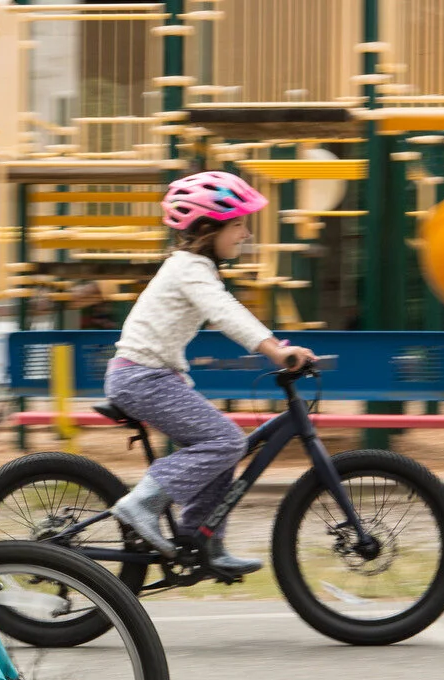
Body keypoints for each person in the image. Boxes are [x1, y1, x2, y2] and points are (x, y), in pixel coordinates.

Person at [105, 170, 316, 576]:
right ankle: (142, 503)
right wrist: (275, 350)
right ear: (207, 227)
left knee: (224, 448)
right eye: (238, 224)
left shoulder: (194, 268)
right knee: (225, 441)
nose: (246, 233)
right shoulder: (190, 268)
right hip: (140, 378)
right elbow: (225, 312)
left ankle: (202, 540)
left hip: (152, 376)